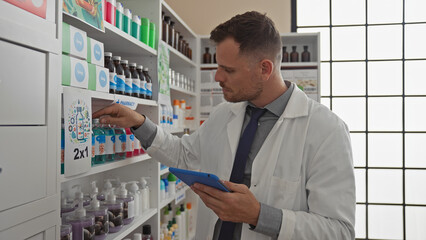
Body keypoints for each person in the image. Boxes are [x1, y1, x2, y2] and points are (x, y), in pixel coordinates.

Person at [93, 11, 355, 240]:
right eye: (218, 66)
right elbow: (184, 154)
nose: (217, 77)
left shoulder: (325, 131)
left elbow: (339, 231)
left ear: (265, 69)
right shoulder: (224, 114)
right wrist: (139, 122)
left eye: (228, 70)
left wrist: (259, 215)